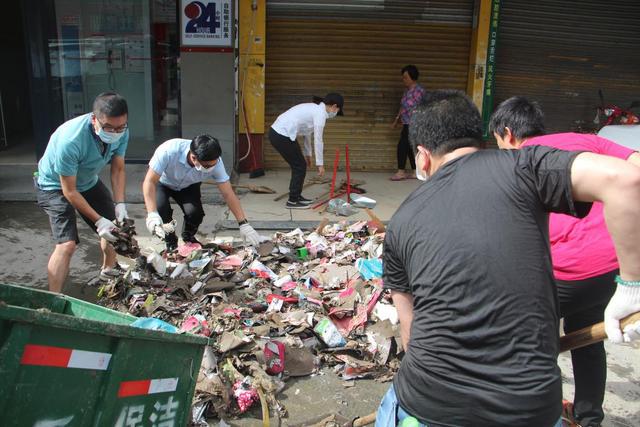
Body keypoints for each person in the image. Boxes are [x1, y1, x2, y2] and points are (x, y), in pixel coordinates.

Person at [376, 90, 640, 426]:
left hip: (430, 407)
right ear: (480, 135)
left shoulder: (400, 222)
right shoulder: (526, 166)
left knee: (396, 401)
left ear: (423, 157)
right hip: (531, 412)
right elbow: (627, 179)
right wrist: (632, 286)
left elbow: (412, 339)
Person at [489, 96, 640, 427]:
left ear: (508, 133)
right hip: (613, 269)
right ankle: (589, 419)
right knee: (586, 340)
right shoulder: (587, 141)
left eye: (499, 142)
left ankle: (537, 413)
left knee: (527, 339)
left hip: (566, 272)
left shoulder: (521, 161)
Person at [36, 92, 130, 293]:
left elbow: (118, 168)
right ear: (94, 119)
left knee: (116, 230)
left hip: (88, 181)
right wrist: (98, 221)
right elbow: (69, 191)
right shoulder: (71, 140)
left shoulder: (122, 131)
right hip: (54, 186)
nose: (115, 132)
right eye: (109, 128)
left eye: (120, 127)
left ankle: (108, 270)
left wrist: (120, 203)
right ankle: (53, 299)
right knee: (67, 245)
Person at [143, 135, 261, 251]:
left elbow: (228, 193)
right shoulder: (169, 150)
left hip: (189, 185)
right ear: (194, 158)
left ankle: (188, 237)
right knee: (161, 209)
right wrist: (151, 213)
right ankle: (170, 241)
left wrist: (243, 223)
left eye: (213, 164)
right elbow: (149, 181)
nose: (211, 168)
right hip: (163, 182)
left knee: (195, 213)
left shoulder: (216, 163)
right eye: (207, 166)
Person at [269, 93, 344, 209]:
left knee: (300, 165)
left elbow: (307, 134)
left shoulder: (315, 109)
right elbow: (318, 140)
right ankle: (292, 201)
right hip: (281, 134)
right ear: (334, 106)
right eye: (337, 110)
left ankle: (297, 196)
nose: (335, 113)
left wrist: (308, 155)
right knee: (299, 166)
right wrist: (320, 164)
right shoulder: (320, 114)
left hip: (279, 133)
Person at [390, 64, 426, 181]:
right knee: (411, 147)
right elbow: (402, 107)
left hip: (415, 124)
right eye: (403, 77)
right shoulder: (407, 91)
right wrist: (396, 120)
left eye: (405, 77)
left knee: (402, 145)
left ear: (412, 77)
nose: (403, 80)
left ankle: (401, 172)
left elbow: (425, 108)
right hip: (406, 123)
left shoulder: (420, 92)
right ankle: (415, 172)